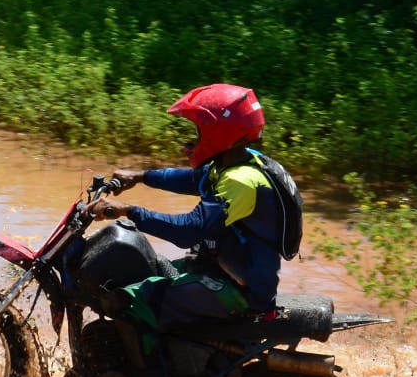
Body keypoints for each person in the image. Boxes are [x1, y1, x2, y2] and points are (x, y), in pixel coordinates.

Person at [88, 83, 289, 331]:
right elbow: (193, 179)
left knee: (133, 301)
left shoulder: (241, 181)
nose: (192, 141)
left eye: (198, 132)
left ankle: (152, 369)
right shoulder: (239, 160)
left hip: (241, 292)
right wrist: (140, 176)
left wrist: (125, 210)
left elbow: (188, 231)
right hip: (220, 269)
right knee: (145, 266)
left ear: (218, 133)